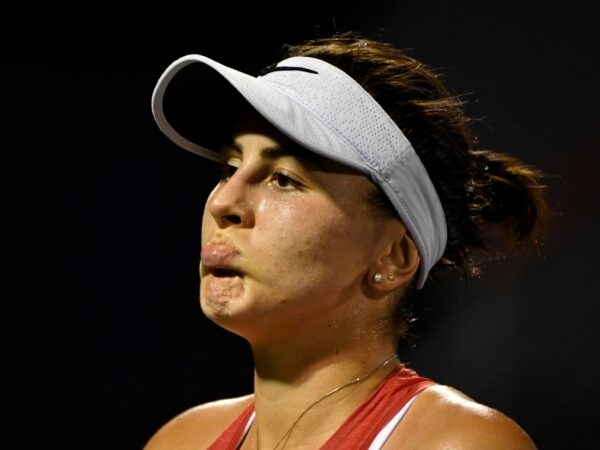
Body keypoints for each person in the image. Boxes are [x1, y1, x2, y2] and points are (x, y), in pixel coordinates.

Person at [145, 31, 548, 449]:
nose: (223, 202)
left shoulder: (459, 443)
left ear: (393, 258)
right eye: (230, 167)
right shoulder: (180, 440)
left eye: (283, 179)